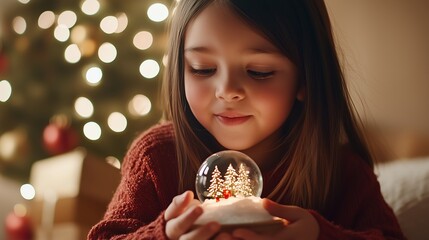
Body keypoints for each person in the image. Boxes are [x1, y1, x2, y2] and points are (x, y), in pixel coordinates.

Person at [88, 0, 406, 239]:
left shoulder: (342, 173)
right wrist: (164, 235)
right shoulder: (157, 157)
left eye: (259, 72)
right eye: (202, 68)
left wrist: (321, 235)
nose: (227, 91)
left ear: (305, 79)